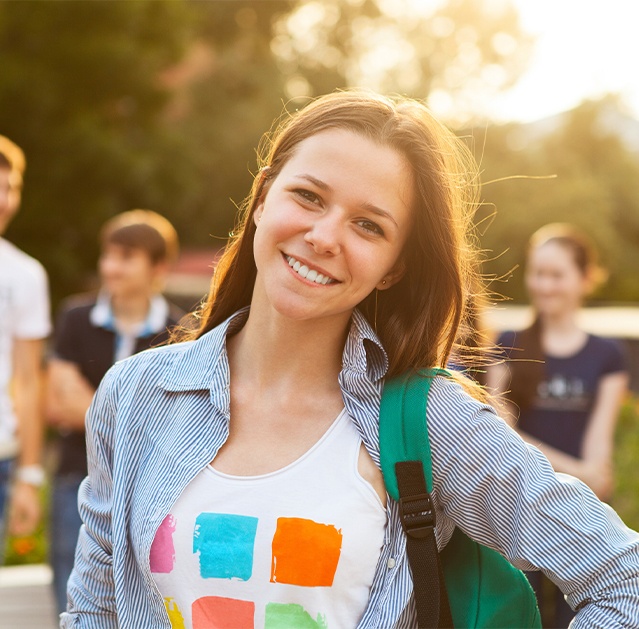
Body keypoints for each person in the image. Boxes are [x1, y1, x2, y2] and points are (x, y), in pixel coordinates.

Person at [62, 91, 639, 628]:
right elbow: (95, 610)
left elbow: (625, 580)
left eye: (368, 225)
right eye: (308, 196)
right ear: (263, 198)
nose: (324, 235)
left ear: (394, 266)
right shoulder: (135, 393)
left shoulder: (429, 421)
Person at [486, 222, 629, 627]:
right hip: (517, 517)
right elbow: (498, 435)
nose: (544, 285)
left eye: (556, 275)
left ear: (585, 279)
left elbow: (599, 458)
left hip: (581, 521)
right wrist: (581, 471)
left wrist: (588, 474)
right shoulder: (508, 343)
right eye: (537, 273)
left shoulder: (608, 355)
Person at [46, 209, 182, 614]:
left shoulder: (181, 330)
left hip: (145, 486)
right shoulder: (75, 318)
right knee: (72, 599)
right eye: (108, 255)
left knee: (137, 600)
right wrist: (136, 418)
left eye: (125, 257)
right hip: (76, 477)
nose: (110, 266)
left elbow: (174, 420)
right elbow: (59, 403)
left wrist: (92, 411)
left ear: (157, 266)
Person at [0, 135, 51, 561]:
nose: (3, 199)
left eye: (10, 188)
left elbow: (29, 380)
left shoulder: (25, 274)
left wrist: (29, 476)